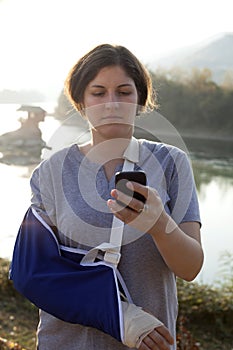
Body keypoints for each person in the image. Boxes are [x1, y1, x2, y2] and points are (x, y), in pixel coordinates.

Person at [10, 44, 204, 350]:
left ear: (140, 99)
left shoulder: (171, 163)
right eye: (98, 93)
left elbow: (191, 267)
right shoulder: (51, 172)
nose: (111, 103)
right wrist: (124, 317)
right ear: (80, 102)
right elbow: (31, 271)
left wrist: (159, 224)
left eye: (124, 92)